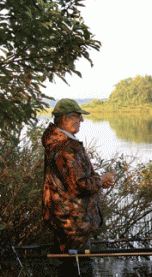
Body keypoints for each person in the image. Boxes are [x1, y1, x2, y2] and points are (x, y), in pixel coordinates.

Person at [42, 98, 114, 254]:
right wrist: (101, 180)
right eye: (77, 116)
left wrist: (99, 182)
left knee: (68, 265)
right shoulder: (65, 147)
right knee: (80, 268)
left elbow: (70, 180)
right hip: (73, 222)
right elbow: (78, 185)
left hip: (66, 218)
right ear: (64, 119)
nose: (81, 120)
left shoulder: (58, 143)